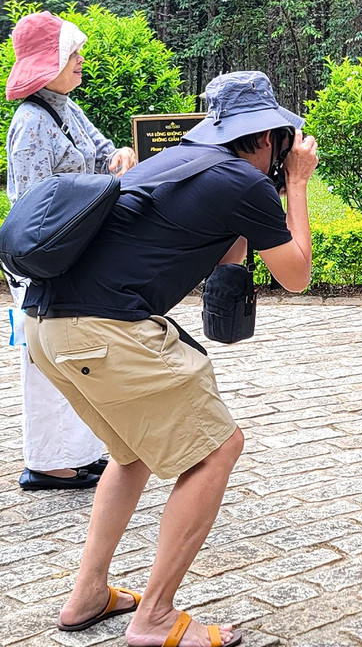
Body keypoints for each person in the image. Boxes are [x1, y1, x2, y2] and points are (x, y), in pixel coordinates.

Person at [22, 71, 317, 646]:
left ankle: (88, 593)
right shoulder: (242, 180)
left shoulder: (181, 163)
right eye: (283, 140)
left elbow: (224, 257)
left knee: (130, 454)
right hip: (105, 330)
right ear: (266, 138)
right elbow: (297, 274)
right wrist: (298, 186)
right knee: (217, 449)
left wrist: (264, 204)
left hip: (47, 327)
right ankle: (154, 616)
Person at [5, 11, 137, 491]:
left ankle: (78, 454)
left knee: (77, 355)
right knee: (45, 364)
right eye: (71, 53)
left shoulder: (64, 107)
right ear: (48, 61)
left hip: (69, 254)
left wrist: (120, 156)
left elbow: (102, 152)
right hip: (44, 261)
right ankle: (48, 462)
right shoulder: (31, 122)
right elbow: (32, 206)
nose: (80, 59)